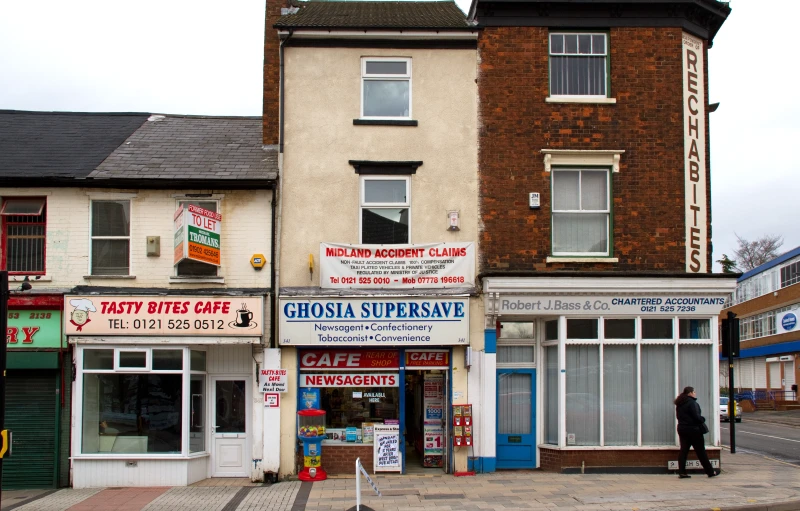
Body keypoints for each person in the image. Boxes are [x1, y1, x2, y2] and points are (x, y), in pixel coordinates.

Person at [674, 386, 718, 478]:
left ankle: (682, 472)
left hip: (682, 428)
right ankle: (710, 472)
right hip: (694, 430)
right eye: (694, 392)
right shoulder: (692, 403)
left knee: (683, 451)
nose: (695, 393)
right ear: (690, 393)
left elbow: (679, 416)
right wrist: (703, 419)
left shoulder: (680, 403)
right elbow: (697, 417)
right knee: (701, 452)